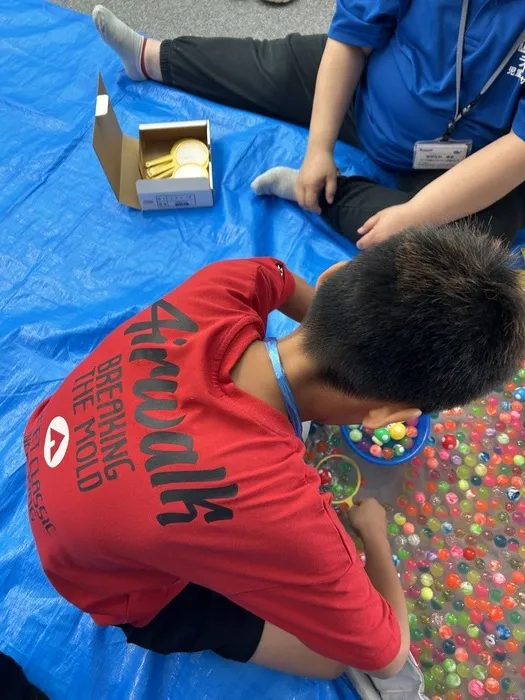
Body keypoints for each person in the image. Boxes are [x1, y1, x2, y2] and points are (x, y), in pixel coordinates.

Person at [24, 226, 525, 680]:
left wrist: (350, 344)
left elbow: (277, 279)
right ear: (388, 417)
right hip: (108, 584)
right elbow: (388, 653)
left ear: (334, 277)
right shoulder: (282, 509)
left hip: (52, 442)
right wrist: (373, 535)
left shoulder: (225, 284)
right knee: (330, 659)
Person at [92, 3, 525, 247]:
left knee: (471, 245)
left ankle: (317, 195)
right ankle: (150, 58)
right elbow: (351, 37)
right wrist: (319, 147)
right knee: (273, 65)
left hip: (467, 164)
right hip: (368, 93)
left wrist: (414, 216)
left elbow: (517, 152)